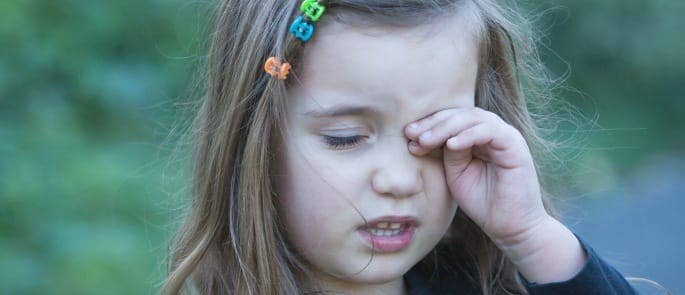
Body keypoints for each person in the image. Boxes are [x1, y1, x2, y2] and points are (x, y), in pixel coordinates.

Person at [162, 0, 638, 294]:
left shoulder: (487, 287)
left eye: (437, 138)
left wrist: (533, 237)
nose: (399, 179)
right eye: (345, 138)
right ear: (254, 140)